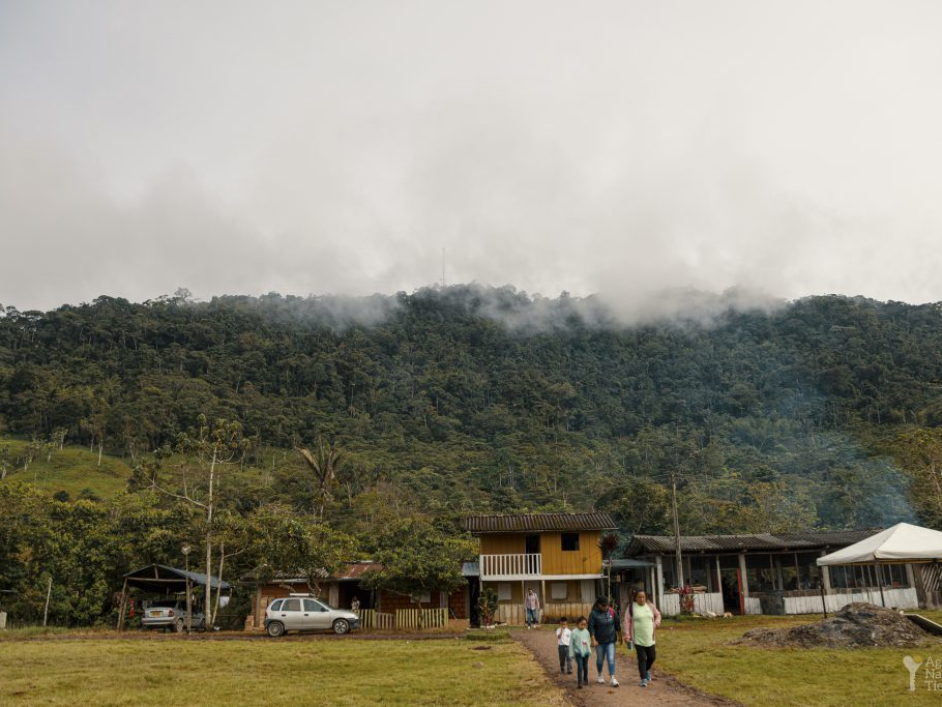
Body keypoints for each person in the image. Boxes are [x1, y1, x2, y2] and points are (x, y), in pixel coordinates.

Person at [625, 589, 662, 687]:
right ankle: (643, 679)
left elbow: (658, 615)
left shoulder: (650, 606)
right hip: (638, 638)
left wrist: (656, 623)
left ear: (645, 597)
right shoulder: (631, 608)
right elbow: (627, 622)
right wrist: (628, 636)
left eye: (643, 597)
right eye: (639, 597)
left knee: (652, 657)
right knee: (642, 658)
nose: (641, 599)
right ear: (635, 598)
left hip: (650, 637)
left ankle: (646, 670)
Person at [587, 596, 621, 687]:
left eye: (607, 605)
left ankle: (612, 678)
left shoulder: (611, 611)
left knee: (611, 658)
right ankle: (599, 674)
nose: (606, 607)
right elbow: (591, 627)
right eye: (604, 606)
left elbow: (617, 624)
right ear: (599, 605)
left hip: (610, 640)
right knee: (600, 659)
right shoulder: (593, 614)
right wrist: (593, 640)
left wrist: (620, 636)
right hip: (599, 642)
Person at [569, 616, 592, 688]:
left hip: (586, 653)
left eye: (585, 624)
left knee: (585, 666)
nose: (583, 626)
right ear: (577, 624)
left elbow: (588, 641)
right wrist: (571, 653)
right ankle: (580, 682)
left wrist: (587, 647)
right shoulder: (573, 632)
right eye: (582, 624)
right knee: (580, 666)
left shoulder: (587, 632)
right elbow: (571, 644)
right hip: (578, 653)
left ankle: (585, 679)